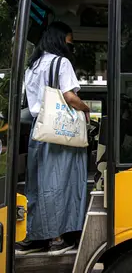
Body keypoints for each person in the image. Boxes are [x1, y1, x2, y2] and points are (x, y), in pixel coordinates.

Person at [15, 21, 90, 256]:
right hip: (60, 131)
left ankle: (35, 237)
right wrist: (85, 108)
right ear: (60, 40)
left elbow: (33, 102)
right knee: (63, 183)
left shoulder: (33, 65)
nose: (71, 46)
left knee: (38, 184)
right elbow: (69, 97)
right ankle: (61, 238)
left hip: (40, 130)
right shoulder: (62, 62)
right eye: (69, 40)